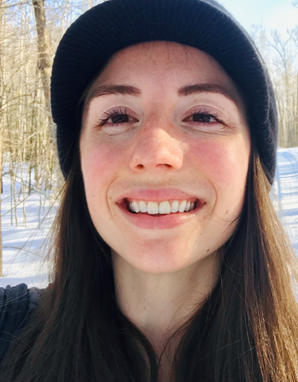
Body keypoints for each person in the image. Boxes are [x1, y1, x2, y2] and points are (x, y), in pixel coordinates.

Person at [1, 0, 298, 380]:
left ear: (250, 163)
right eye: (118, 116)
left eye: (204, 115)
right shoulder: (8, 332)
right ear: (80, 159)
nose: (155, 152)